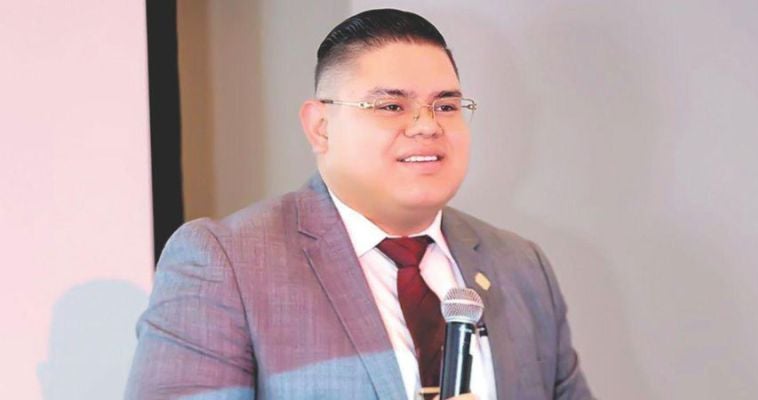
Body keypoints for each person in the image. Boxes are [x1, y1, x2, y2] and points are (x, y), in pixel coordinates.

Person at [126, 8, 594, 400]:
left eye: (446, 106)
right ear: (321, 127)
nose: (427, 126)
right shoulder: (227, 262)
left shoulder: (520, 265)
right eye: (392, 106)